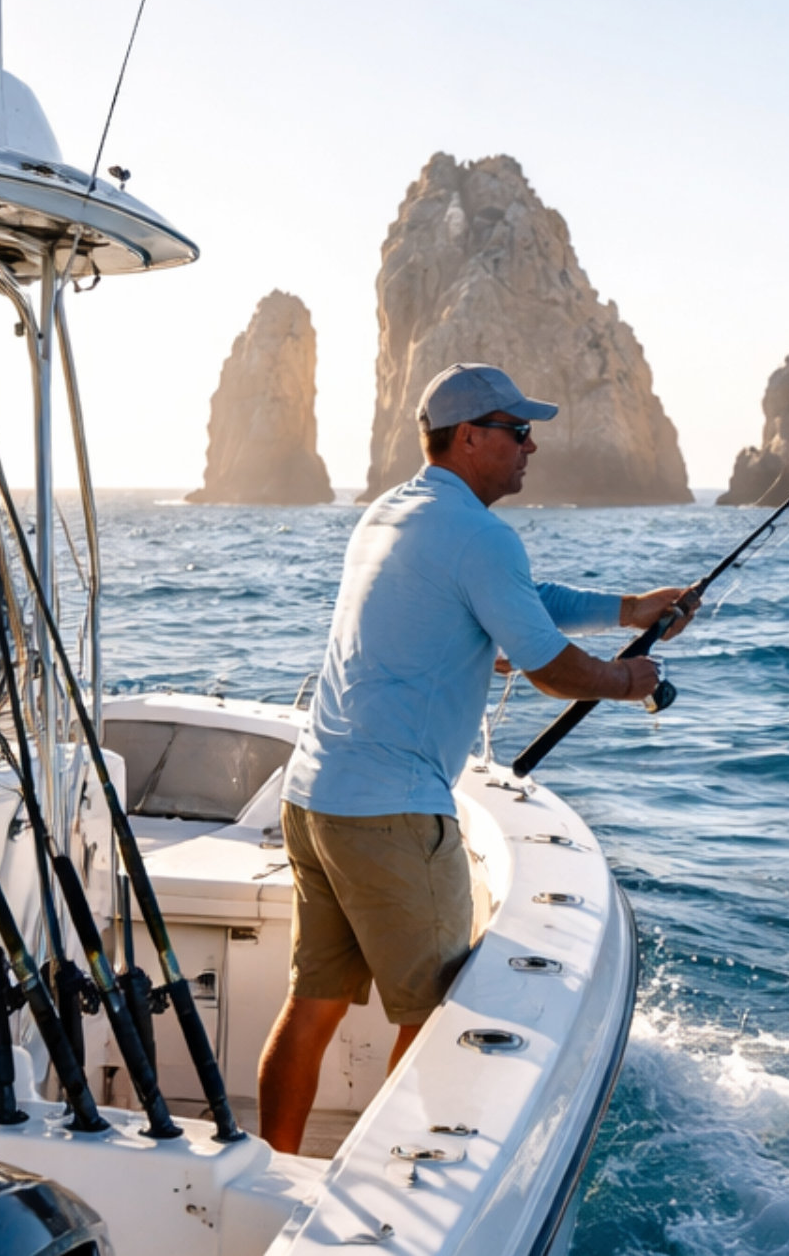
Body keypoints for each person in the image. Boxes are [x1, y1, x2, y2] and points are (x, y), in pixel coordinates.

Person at [256, 362, 697, 1154]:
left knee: (311, 1006)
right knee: (436, 1024)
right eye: (517, 431)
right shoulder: (479, 535)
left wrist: (630, 609)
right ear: (468, 437)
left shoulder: (390, 513)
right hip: (391, 813)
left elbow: (523, 598)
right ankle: (390, 1187)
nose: (532, 446)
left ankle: (271, 1167)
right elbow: (548, 665)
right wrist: (626, 681)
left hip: (314, 798)